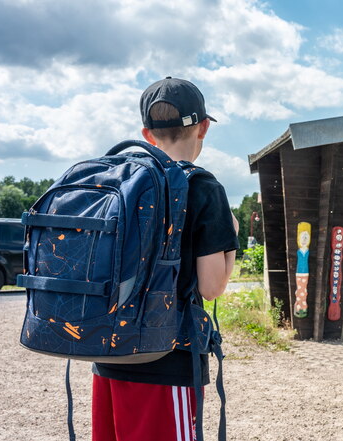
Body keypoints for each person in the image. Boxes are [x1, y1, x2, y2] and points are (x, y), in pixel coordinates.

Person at [91, 77, 239, 441]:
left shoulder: (121, 181)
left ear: (147, 133)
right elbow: (212, 286)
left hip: (107, 356)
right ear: (203, 127)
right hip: (165, 363)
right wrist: (230, 237)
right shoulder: (203, 187)